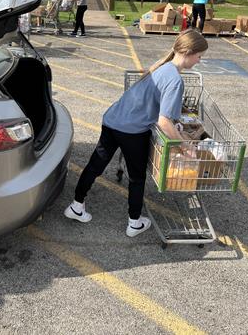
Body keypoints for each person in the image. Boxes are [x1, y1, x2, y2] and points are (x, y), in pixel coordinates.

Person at [64, 29, 208, 237]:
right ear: (188, 52)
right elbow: (165, 121)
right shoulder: (175, 80)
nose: (199, 61)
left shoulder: (161, 65)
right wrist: (185, 146)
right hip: (132, 131)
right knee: (137, 177)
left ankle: (76, 205)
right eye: (199, 56)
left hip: (112, 120)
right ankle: (134, 222)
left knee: (96, 163)